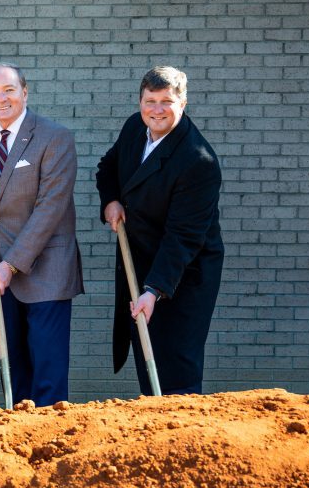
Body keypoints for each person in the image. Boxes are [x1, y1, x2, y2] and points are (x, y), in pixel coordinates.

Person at [95, 66, 223, 395]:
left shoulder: (198, 161)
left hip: (182, 275)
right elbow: (108, 166)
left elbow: (183, 237)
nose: (157, 110)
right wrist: (111, 200)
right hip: (141, 259)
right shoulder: (135, 128)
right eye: (150, 101)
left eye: (167, 101)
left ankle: (183, 421)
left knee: (175, 359)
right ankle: (154, 418)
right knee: (146, 351)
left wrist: (153, 290)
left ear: (183, 103)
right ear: (140, 102)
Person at [0, 63, 84, 407]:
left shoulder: (54, 137)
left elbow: (50, 209)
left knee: (47, 376)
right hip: (1, 273)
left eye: (9, 90)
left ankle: (51, 436)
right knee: (15, 371)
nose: (1, 98)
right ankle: (20, 436)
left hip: (47, 272)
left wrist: (11, 264)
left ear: (25, 92)